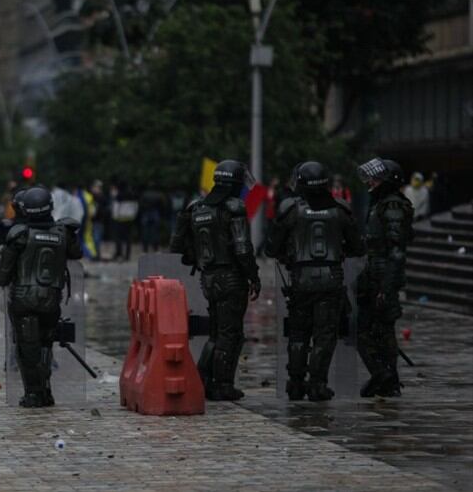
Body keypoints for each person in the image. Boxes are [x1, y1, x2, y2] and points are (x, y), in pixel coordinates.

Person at [265, 161, 365, 401]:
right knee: (324, 334)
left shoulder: (290, 210)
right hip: (330, 280)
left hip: (300, 280)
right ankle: (317, 384)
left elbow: (271, 247)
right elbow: (357, 247)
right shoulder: (341, 210)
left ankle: (296, 383)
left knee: (298, 333)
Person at [169, 160, 261, 401]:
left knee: (215, 332)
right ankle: (222, 385)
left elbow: (176, 245)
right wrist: (253, 275)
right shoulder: (234, 208)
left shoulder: (195, 208)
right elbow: (242, 248)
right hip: (231, 277)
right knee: (230, 334)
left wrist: (197, 257)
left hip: (208, 278)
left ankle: (203, 380)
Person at [0, 186, 83, 407]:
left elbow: (2, 275)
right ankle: (46, 392)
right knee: (45, 345)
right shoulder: (62, 232)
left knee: (27, 349)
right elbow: (77, 253)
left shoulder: (19, 234)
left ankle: (33, 395)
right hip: (51, 299)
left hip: (23, 299)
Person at [356, 158, 414, 397]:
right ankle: (385, 376)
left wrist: (386, 288)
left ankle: (386, 376)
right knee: (370, 329)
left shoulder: (392, 207)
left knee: (378, 329)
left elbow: (396, 252)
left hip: (383, 277)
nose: (371, 182)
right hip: (374, 274)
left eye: (377, 178)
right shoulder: (382, 204)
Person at [111, 184, 138, 261]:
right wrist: (133, 216)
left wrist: (114, 217)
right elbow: (136, 207)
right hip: (129, 219)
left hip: (120, 219)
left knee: (118, 238)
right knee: (128, 238)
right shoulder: (132, 195)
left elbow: (116, 208)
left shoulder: (119, 195)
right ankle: (127, 256)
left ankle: (119, 254)